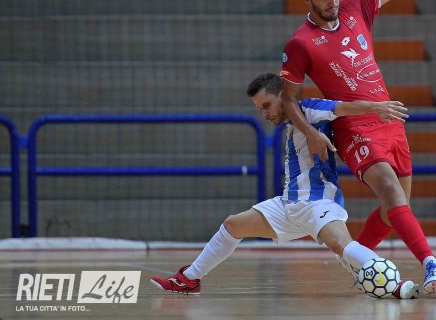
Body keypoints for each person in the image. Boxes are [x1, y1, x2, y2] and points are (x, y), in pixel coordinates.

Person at [279, 0, 436, 295]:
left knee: (396, 208)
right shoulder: (300, 43)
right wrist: (311, 132)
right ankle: (433, 266)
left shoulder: (356, 6)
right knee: (390, 192)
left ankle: (360, 265)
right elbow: (288, 100)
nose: (332, 1)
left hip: (389, 116)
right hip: (353, 125)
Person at [151, 73, 420, 299]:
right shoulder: (291, 125)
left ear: (283, 95)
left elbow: (343, 107)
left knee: (342, 246)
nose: (264, 113)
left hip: (317, 203)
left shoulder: (309, 109)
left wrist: (376, 107)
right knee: (233, 224)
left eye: (267, 105)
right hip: (288, 205)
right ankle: (189, 279)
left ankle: (396, 285)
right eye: (260, 109)